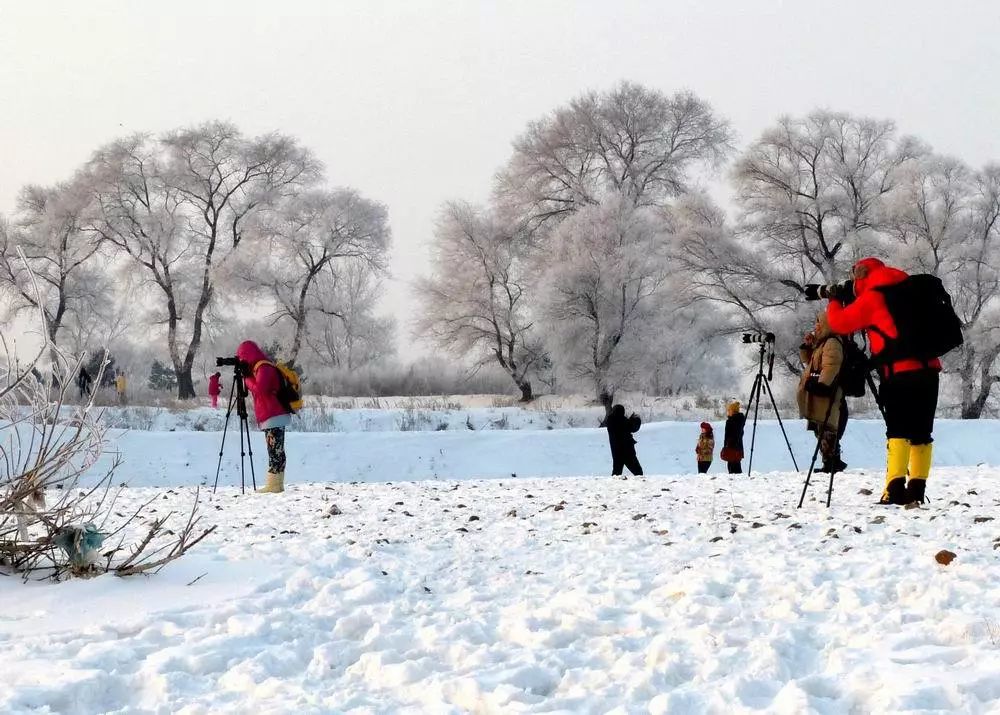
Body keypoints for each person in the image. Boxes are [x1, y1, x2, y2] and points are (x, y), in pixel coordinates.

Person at [826, 257, 942, 505]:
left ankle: (894, 490)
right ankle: (917, 491)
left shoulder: (875, 297)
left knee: (898, 431)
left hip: (898, 374)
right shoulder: (912, 290)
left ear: (861, 275)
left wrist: (834, 299)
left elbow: (839, 323)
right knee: (922, 433)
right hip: (930, 371)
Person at [235, 341, 292, 494]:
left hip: (274, 414)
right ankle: (276, 484)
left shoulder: (264, 368)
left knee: (275, 450)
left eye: (242, 357)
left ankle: (274, 485)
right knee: (275, 450)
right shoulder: (260, 368)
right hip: (271, 415)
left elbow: (260, 390)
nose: (241, 361)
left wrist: (246, 379)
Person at [797, 312, 848, 474]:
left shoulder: (832, 343)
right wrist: (807, 346)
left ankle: (831, 462)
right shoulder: (822, 343)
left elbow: (831, 365)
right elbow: (810, 362)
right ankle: (831, 461)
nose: (816, 325)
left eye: (819, 322)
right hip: (820, 394)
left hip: (828, 394)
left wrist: (823, 385)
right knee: (820, 427)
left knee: (828, 427)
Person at [604, 404, 643, 477]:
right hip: (627, 451)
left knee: (617, 473)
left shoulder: (611, 421)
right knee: (638, 472)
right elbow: (632, 427)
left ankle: (613, 487)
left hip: (616, 451)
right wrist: (636, 419)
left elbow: (627, 426)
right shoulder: (622, 421)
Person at [721, 401, 745, 474]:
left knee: (732, 468)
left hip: (731, 447)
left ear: (733, 411)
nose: (728, 411)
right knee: (737, 466)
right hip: (739, 447)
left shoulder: (730, 421)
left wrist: (726, 445)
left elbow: (728, 435)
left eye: (729, 410)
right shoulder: (740, 420)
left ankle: (735, 483)